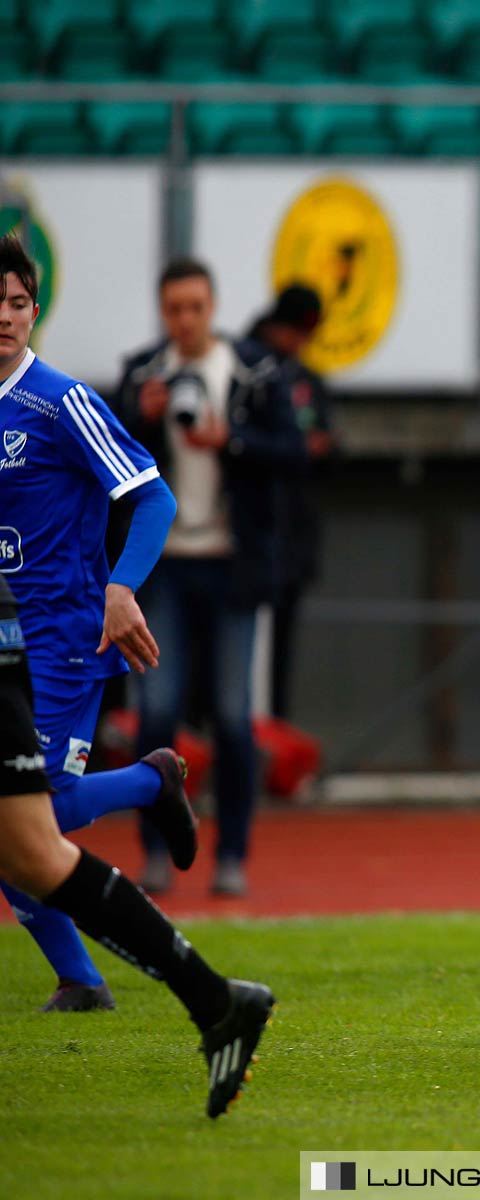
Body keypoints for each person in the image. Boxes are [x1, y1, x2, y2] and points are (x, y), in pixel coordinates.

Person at [0, 233, 202, 1012]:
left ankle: (153, 780)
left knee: (32, 815)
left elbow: (154, 498)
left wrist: (122, 588)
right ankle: (81, 982)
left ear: (35, 311)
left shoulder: (60, 401)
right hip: (2, 642)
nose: (7, 316)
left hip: (63, 637)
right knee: (12, 826)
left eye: (18, 303)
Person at [2, 573, 275, 1118]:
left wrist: (120, 589)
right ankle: (211, 1002)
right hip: (30, 626)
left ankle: (208, 999)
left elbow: (155, 499)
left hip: (52, 632)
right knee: (27, 847)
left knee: (34, 838)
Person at [116, 258, 305, 897]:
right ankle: (154, 853)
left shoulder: (254, 371)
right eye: (175, 309)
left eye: (197, 307)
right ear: (162, 312)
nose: (187, 320)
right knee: (157, 712)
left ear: (213, 306)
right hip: (162, 566)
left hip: (232, 565)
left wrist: (232, 440)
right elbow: (105, 459)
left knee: (231, 716)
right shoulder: (143, 373)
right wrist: (143, 418)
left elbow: (295, 452)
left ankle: (233, 856)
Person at [245, 285, 337, 722]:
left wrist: (316, 446)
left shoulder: (306, 380)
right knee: (232, 654)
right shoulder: (247, 366)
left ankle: (273, 738)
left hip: (291, 537)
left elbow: (329, 442)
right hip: (244, 537)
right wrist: (291, 447)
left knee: (279, 651)